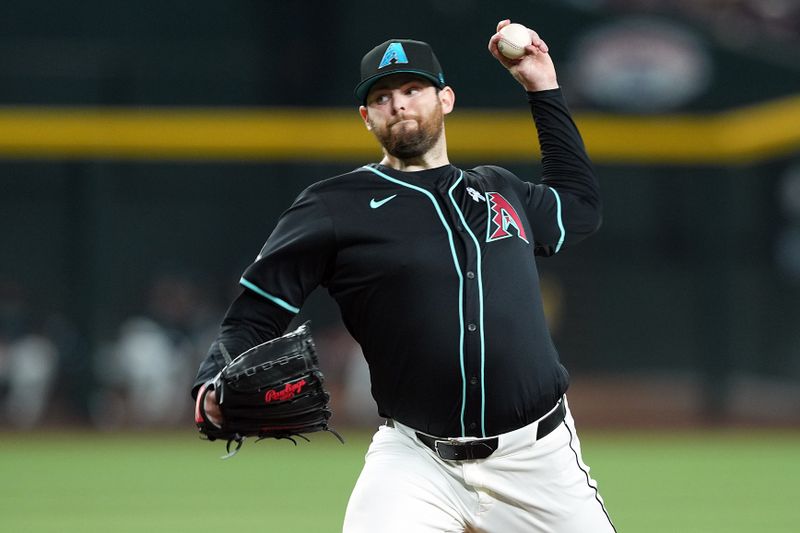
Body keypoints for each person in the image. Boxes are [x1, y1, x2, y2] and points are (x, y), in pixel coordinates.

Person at [192, 20, 616, 533]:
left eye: (414, 89)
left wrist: (541, 86)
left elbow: (581, 208)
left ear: (446, 100)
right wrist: (214, 379)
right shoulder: (333, 207)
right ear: (366, 117)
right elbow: (255, 312)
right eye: (383, 96)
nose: (399, 103)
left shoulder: (502, 189)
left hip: (539, 457)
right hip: (416, 461)